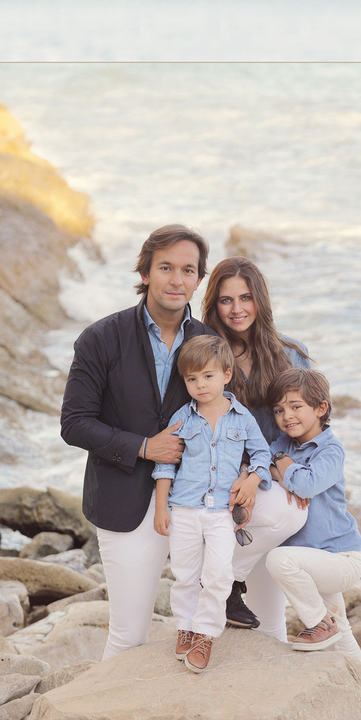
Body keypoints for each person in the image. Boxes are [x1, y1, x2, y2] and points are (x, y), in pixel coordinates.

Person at [60, 224, 220, 660]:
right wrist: (144, 447)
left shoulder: (209, 343)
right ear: (145, 272)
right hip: (123, 498)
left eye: (188, 270)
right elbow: (74, 423)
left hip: (194, 503)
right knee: (129, 634)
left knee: (203, 624)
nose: (176, 280)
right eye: (165, 267)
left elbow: (225, 419)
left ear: (198, 279)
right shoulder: (101, 338)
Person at [200, 256, 313, 635]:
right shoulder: (204, 358)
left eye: (245, 298)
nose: (237, 309)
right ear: (214, 304)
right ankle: (223, 582)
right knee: (287, 512)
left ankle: (224, 580)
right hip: (223, 487)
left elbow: (309, 426)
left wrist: (270, 469)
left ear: (260, 300)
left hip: (273, 484)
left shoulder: (291, 355)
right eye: (226, 300)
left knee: (271, 618)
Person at [150, 335, 271, 673]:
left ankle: (205, 635)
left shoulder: (242, 418)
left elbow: (262, 455)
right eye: (191, 379)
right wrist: (162, 507)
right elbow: (165, 464)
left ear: (226, 375)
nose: (200, 385)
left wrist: (251, 478)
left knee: (218, 574)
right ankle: (185, 627)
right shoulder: (182, 418)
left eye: (208, 376)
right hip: (184, 509)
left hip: (220, 514)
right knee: (184, 574)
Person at [261, 369, 361, 658]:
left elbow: (306, 485)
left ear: (321, 408)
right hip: (310, 560)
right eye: (279, 410)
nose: (287, 416)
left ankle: (319, 623)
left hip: (339, 558)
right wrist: (278, 467)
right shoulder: (282, 445)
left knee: (278, 560)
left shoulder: (330, 451)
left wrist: (280, 462)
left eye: (296, 407)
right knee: (342, 630)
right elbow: (261, 468)